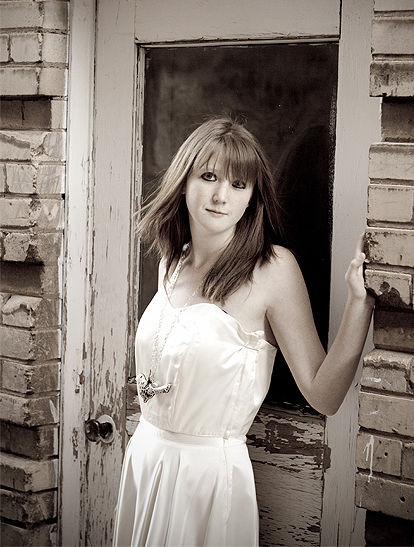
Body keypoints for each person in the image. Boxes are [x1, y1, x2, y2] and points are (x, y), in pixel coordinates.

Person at [112, 117, 374, 547]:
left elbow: (323, 395)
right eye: (209, 177)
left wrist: (359, 305)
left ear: (253, 197)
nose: (221, 196)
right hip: (145, 462)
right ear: (183, 181)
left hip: (208, 482)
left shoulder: (272, 270)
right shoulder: (173, 261)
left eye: (238, 184)